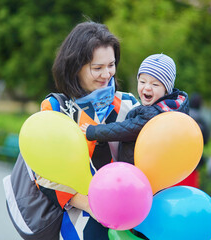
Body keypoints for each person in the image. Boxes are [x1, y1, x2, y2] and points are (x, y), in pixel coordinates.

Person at [38, 21, 140, 240]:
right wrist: (93, 206)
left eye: (111, 65)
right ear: (76, 67)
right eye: (97, 68)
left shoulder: (129, 105)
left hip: (130, 220)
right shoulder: (56, 109)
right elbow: (43, 175)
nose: (107, 74)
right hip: (80, 222)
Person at [81, 53, 189, 165]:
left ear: (166, 90)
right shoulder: (170, 108)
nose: (147, 87)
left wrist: (95, 131)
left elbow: (126, 129)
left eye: (155, 84)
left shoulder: (154, 114)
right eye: (142, 82)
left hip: (138, 170)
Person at [174, 93, 210, 188]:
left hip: (178, 159)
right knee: (190, 188)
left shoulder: (182, 115)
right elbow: (206, 141)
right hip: (194, 161)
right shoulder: (202, 120)